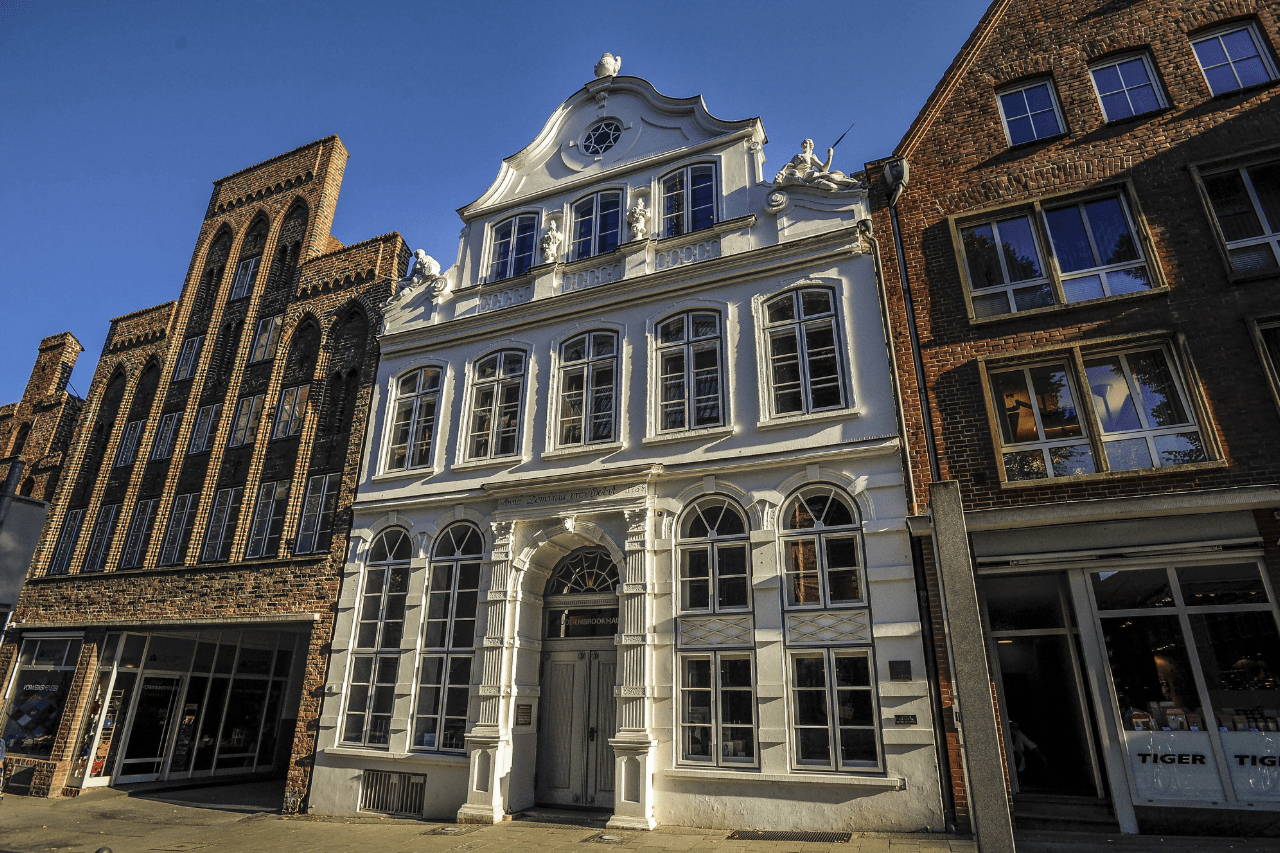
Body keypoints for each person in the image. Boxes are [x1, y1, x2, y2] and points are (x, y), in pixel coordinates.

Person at [775, 139, 861, 190]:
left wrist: (830, 156)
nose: (804, 145)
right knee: (830, 184)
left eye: (806, 143)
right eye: (803, 143)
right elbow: (786, 167)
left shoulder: (812, 157)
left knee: (832, 177)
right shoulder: (797, 156)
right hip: (800, 177)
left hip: (810, 175)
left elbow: (824, 169)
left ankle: (853, 184)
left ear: (810, 145)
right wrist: (794, 172)